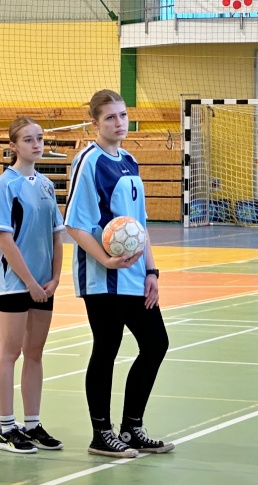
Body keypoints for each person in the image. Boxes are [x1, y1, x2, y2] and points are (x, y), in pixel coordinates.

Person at [63, 90, 174, 458]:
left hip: (134, 276)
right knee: (107, 348)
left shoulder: (129, 160)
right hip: (103, 277)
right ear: (95, 122)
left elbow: (139, 225)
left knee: (156, 344)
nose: (119, 123)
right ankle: (101, 433)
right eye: (110, 117)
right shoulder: (89, 161)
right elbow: (75, 224)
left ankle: (131, 428)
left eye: (123, 115)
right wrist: (105, 260)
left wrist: (151, 271)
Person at [0, 117, 64, 454]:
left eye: (40, 139)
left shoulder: (46, 184)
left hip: (44, 284)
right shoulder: (6, 184)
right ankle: (7, 428)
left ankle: (32, 424)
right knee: (10, 352)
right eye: (29, 139)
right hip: (16, 284)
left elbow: (56, 236)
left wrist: (55, 278)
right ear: (13, 146)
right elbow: (4, 240)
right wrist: (30, 282)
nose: (36, 144)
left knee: (35, 353)